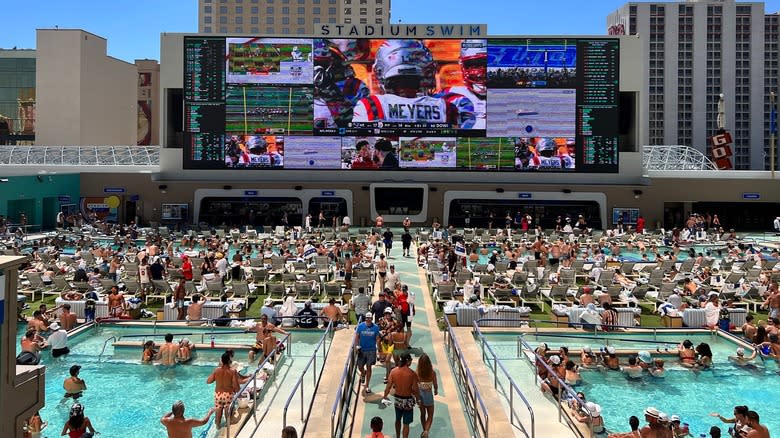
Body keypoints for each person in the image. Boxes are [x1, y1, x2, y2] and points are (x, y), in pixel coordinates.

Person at [382, 352, 420, 438]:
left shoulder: (393, 371)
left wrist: (385, 396)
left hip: (398, 400)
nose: (411, 362)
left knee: (398, 420)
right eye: (410, 360)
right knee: (406, 423)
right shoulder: (412, 374)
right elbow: (415, 389)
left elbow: (388, 386)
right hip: (408, 400)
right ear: (407, 361)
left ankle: (398, 436)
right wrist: (418, 399)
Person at [207, 352, 240, 428]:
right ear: (229, 361)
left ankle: (218, 425)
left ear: (221, 361)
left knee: (218, 410)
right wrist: (239, 393)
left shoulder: (217, 370)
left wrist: (215, 374)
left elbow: (208, 381)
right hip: (228, 394)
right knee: (227, 410)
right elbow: (235, 385)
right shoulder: (232, 371)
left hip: (218, 394)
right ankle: (227, 425)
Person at [355, 312, 381, 394]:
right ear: (365, 318)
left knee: (369, 367)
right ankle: (363, 373)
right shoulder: (360, 326)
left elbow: (377, 339)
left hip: (371, 350)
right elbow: (357, 337)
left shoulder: (376, 327)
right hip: (362, 350)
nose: (368, 320)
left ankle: (367, 385)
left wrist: (379, 350)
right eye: (367, 318)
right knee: (360, 366)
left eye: (369, 318)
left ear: (371, 319)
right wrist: (356, 346)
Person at [415, 353, 438, 437]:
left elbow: (415, 386)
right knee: (430, 415)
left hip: (420, 395)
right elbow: (435, 384)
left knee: (422, 414)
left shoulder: (417, 373)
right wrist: (435, 390)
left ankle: (424, 430)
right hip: (428, 395)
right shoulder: (432, 373)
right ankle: (426, 431)